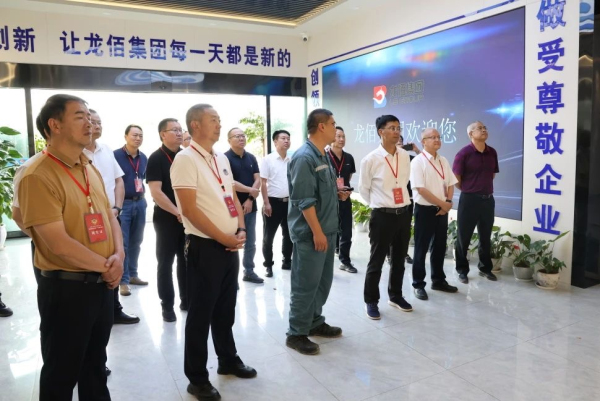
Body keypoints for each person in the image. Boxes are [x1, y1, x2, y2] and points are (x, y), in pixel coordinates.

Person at [18, 94, 124, 400]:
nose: (89, 122)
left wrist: (119, 256)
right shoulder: (37, 174)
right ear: (55, 125)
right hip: (67, 290)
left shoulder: (88, 165)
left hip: (101, 284)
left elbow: (109, 216)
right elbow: (57, 243)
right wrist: (107, 267)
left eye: (89, 116)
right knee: (61, 372)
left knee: (95, 366)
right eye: (80, 116)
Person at [172, 104, 256, 401]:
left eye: (220, 120)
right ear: (195, 125)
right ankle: (196, 378)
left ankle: (227, 359)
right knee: (200, 314)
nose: (219, 125)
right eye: (213, 120)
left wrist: (241, 228)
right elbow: (189, 210)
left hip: (229, 244)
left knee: (225, 308)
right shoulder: (185, 159)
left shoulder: (220, 158)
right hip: (205, 246)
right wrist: (223, 237)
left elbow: (231, 195)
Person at [286, 108, 344, 355]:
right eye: (333, 124)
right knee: (305, 284)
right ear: (321, 126)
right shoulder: (304, 157)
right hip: (311, 234)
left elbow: (319, 192)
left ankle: (314, 321)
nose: (335, 128)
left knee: (322, 282)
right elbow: (304, 200)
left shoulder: (322, 154)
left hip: (327, 229)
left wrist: (337, 194)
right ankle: (296, 332)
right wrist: (317, 232)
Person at [85, 110, 140, 324]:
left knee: (116, 258)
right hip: (88, 219)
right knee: (94, 265)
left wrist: (116, 207)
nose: (97, 126)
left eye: (99, 122)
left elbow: (119, 181)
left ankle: (114, 309)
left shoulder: (106, 150)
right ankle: (95, 312)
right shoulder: (77, 153)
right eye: (92, 122)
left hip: (111, 215)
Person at [359, 115, 413, 320]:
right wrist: (380, 203)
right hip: (382, 215)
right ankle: (371, 301)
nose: (396, 131)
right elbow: (364, 189)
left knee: (399, 259)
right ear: (380, 132)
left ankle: (396, 295)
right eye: (392, 128)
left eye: (398, 128)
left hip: (403, 214)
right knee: (377, 260)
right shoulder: (370, 159)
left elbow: (404, 182)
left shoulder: (404, 156)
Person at [146, 118, 188, 322]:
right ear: (163, 134)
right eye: (174, 130)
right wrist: (177, 212)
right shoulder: (156, 158)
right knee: (165, 262)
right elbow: (156, 192)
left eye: (181, 130)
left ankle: (186, 300)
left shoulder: (185, 156)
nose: (179, 133)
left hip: (187, 218)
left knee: (185, 260)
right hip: (166, 218)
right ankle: (167, 306)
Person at [410, 128, 459, 300]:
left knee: (439, 246)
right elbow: (420, 189)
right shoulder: (418, 162)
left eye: (439, 137)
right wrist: (443, 204)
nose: (437, 140)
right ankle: (418, 284)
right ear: (423, 141)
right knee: (421, 248)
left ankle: (438, 280)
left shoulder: (443, 160)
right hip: (425, 210)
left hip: (442, 210)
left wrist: (447, 202)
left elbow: (451, 183)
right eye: (433, 137)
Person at [452, 121, 500, 283]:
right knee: (463, 236)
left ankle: (485, 268)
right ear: (471, 134)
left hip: (488, 200)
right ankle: (462, 270)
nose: (484, 130)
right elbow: (456, 179)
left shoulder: (492, 152)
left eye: (485, 127)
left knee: (485, 236)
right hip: (469, 200)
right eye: (479, 128)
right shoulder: (463, 153)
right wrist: (470, 189)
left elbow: (492, 174)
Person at [225, 127, 263, 284]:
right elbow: (230, 183)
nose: (241, 138)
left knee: (250, 242)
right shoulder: (224, 158)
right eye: (237, 136)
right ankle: (230, 276)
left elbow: (258, 179)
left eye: (243, 135)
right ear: (229, 140)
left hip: (250, 205)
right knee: (231, 241)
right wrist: (250, 190)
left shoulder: (251, 157)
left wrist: (250, 199)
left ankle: (249, 271)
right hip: (231, 207)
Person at [114, 124, 149, 296]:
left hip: (140, 202)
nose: (138, 138)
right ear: (125, 136)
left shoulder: (144, 157)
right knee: (124, 243)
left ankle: (133, 274)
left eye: (140, 135)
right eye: (134, 135)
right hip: (124, 204)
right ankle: (123, 280)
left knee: (137, 241)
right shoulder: (115, 155)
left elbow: (142, 178)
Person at [260, 129, 293, 278]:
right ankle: (268, 265)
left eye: (288, 138)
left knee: (289, 234)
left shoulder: (291, 160)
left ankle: (287, 261)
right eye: (283, 138)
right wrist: (266, 203)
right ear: (275, 141)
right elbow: (263, 183)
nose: (286, 141)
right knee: (269, 236)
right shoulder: (268, 159)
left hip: (289, 203)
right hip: (272, 203)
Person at [328, 126, 357, 273]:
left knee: (346, 231)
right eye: (338, 136)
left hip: (345, 199)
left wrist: (344, 191)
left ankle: (345, 261)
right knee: (330, 231)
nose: (341, 139)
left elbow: (348, 177)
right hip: (329, 201)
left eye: (343, 136)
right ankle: (326, 262)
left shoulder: (349, 157)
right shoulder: (324, 157)